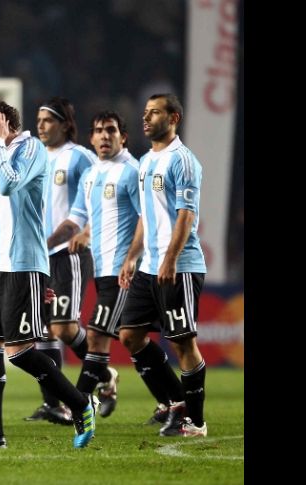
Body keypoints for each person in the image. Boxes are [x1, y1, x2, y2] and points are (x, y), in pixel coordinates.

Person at [0, 95, 96, 449]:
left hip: (24, 264)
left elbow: (7, 184)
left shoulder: (30, 150)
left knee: (19, 352)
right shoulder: (0, 153)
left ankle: (79, 402)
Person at [46, 110, 170, 418]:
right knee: (133, 339)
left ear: (122, 137)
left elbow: (147, 218)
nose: (104, 136)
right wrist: (45, 244)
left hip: (124, 270)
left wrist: (131, 258)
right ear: (91, 138)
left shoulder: (131, 171)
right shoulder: (91, 175)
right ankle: (172, 401)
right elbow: (76, 218)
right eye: (99, 131)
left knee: (98, 337)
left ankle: (80, 404)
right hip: (100, 269)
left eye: (111, 130)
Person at [118, 94, 208, 437]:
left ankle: (196, 422)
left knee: (183, 342)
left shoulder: (183, 161)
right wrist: (131, 256)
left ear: (174, 118)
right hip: (149, 267)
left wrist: (170, 259)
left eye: (154, 113)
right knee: (129, 335)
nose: (146, 118)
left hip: (179, 265)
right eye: (145, 113)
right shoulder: (144, 162)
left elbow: (187, 215)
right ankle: (175, 400)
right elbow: (145, 216)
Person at [25, 97, 98, 424]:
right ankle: (54, 404)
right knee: (42, 332)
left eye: (48, 120)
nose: (40, 125)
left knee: (65, 327)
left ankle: (105, 375)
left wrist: (84, 234)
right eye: (38, 119)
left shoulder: (80, 157)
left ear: (66, 124)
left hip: (68, 253)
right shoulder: (37, 157)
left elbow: (97, 202)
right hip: (39, 257)